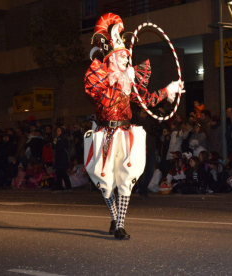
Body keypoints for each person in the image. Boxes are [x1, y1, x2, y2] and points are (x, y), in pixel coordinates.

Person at [84, 13, 184, 240]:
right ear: (110, 58)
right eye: (122, 56)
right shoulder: (101, 78)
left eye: (127, 56)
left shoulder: (129, 79)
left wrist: (169, 90)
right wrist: (117, 80)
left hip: (127, 133)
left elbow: (147, 100)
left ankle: (119, 225)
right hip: (106, 134)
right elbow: (105, 100)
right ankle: (115, 217)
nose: (126, 60)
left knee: (126, 179)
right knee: (106, 183)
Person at [52, 127, 72, 191]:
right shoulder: (58, 138)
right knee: (60, 173)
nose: (57, 132)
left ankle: (65, 187)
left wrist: (55, 144)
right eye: (57, 131)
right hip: (59, 157)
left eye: (59, 131)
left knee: (62, 172)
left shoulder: (63, 139)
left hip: (62, 158)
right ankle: (60, 186)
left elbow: (58, 147)